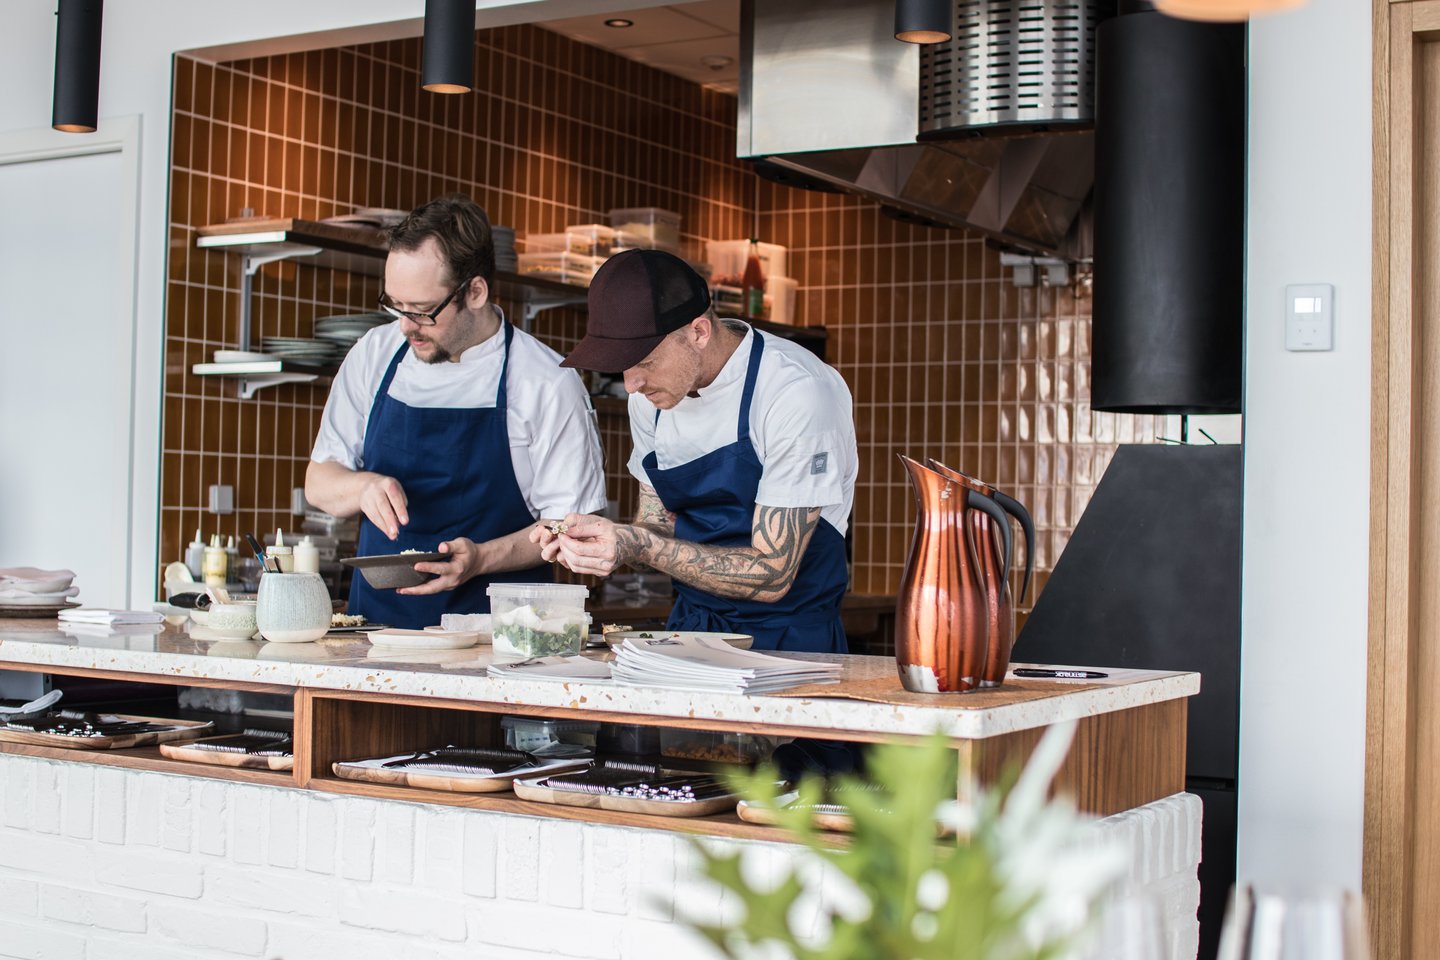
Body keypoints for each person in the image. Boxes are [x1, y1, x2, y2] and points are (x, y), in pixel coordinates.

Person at [533, 249, 857, 653]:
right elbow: (656, 528)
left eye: (645, 362)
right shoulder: (649, 401)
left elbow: (774, 573)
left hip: (790, 643)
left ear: (699, 332)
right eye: (621, 368)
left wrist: (640, 545)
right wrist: (607, 541)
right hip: (689, 633)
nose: (631, 384)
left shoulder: (794, 391)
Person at [307, 194, 606, 628]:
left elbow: (568, 528)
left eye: (423, 311)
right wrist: (362, 487)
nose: (406, 325)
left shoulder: (546, 381)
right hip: (376, 633)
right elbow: (319, 481)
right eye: (395, 305)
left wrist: (482, 558)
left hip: (500, 640)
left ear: (476, 292)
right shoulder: (374, 355)